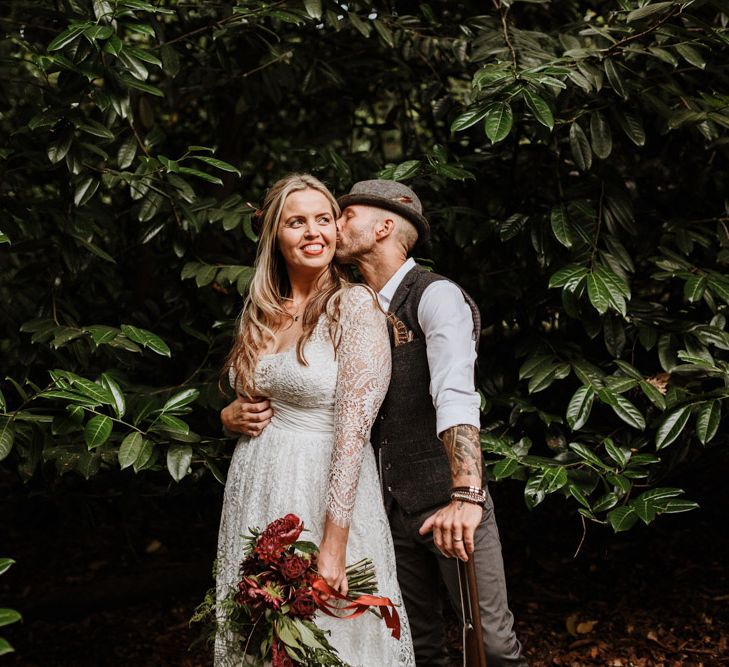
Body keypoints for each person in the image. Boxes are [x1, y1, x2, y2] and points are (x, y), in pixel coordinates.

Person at [226, 179, 527, 666]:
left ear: (384, 226)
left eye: (342, 215)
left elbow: (455, 397)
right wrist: (231, 414)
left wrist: (467, 495)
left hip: (443, 499)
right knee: (420, 645)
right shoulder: (347, 297)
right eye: (316, 217)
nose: (332, 225)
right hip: (383, 506)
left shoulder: (434, 297)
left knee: (489, 645)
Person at [214, 173, 415, 667]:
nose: (313, 232)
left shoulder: (354, 306)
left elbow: (353, 432)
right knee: (259, 634)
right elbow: (250, 394)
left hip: (325, 491)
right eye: (296, 222)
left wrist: (333, 543)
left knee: (328, 634)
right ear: (274, 236)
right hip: (258, 485)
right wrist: (228, 416)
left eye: (323, 219)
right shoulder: (263, 310)